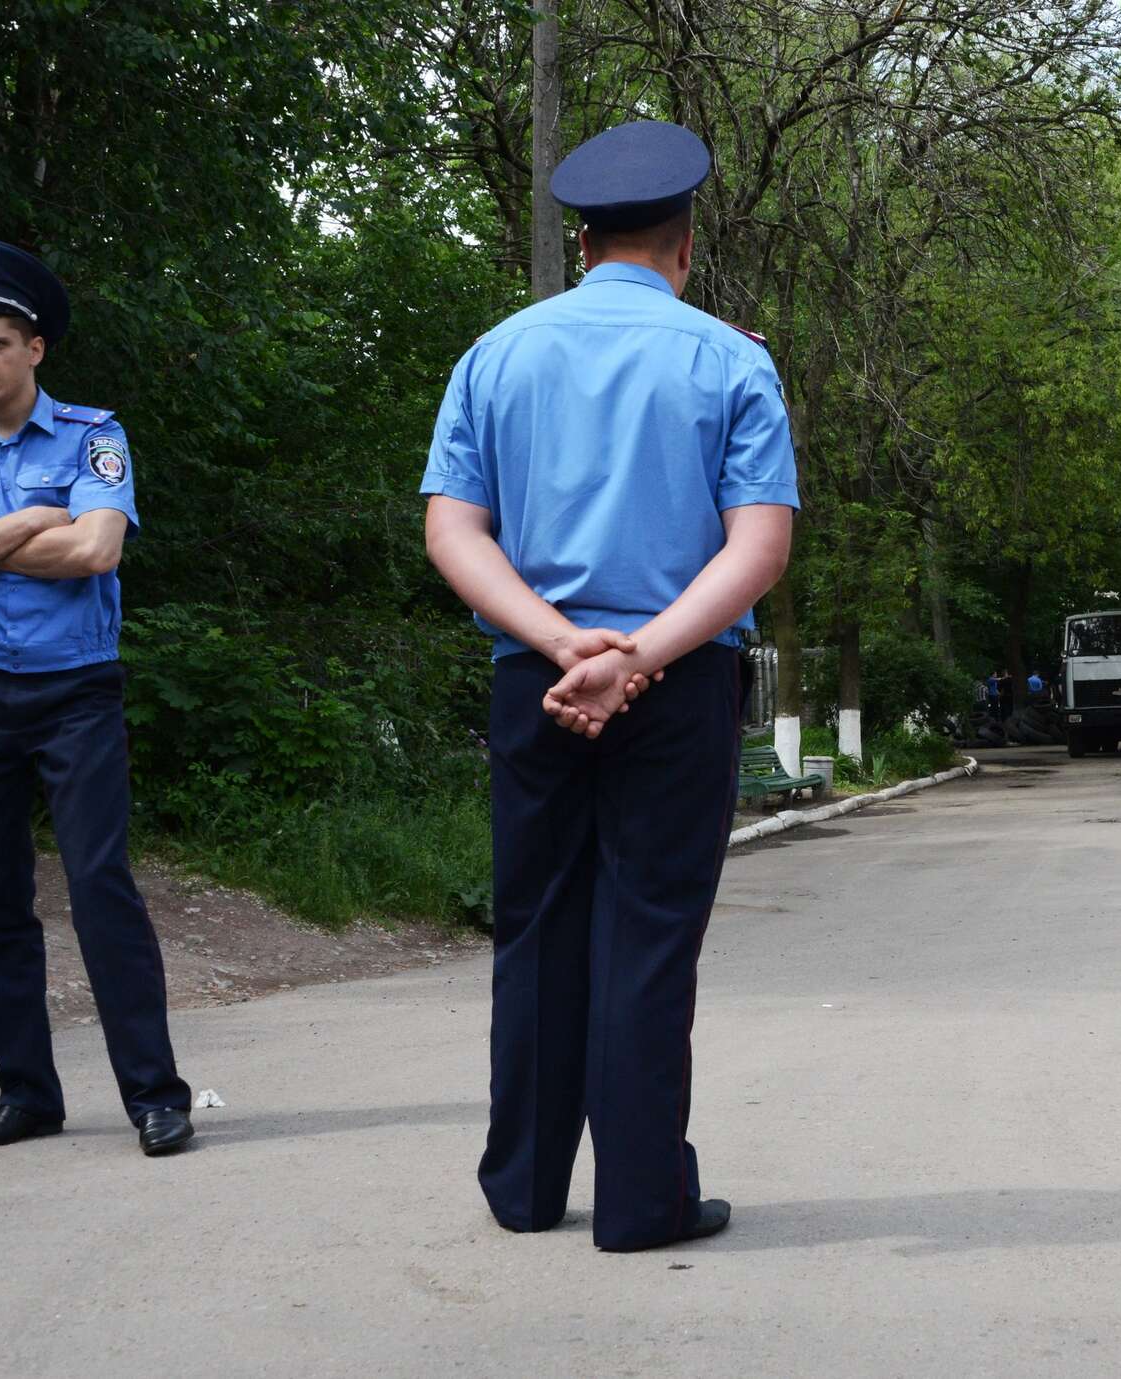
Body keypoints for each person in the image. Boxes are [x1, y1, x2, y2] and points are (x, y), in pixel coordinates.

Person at [421, 120, 797, 1250]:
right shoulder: (729, 360)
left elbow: (453, 531)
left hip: (532, 683)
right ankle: (641, 1201)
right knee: (648, 930)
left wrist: (558, 644)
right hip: (676, 686)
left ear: (581, 243)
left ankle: (525, 1187)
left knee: (536, 925)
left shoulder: (494, 356)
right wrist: (636, 656)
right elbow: (757, 547)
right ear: (686, 246)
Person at [0, 239, 193, 1157]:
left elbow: (95, 550)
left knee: (100, 887)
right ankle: (26, 1094)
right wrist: (30, 518)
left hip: (75, 691)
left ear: (34, 348)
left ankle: (155, 1095)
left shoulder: (94, 438)